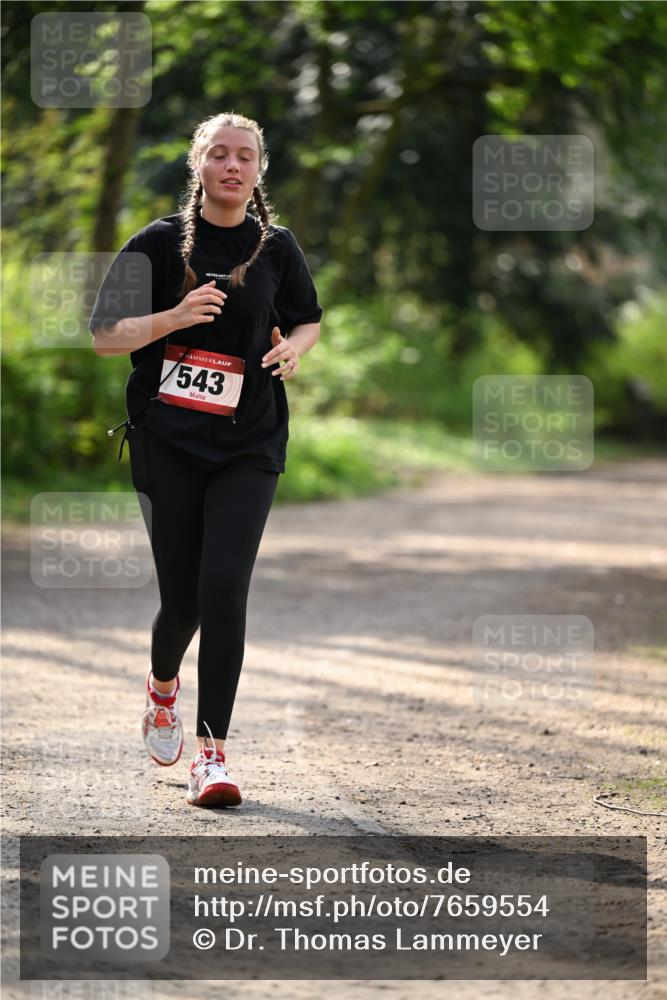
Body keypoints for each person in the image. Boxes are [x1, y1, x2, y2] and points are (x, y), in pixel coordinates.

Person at [88, 112, 323, 808]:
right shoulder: (157, 243)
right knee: (183, 600)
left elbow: (308, 317)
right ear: (198, 165)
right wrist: (172, 317)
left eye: (243, 156)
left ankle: (212, 757)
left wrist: (293, 350)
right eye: (217, 155)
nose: (231, 166)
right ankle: (163, 687)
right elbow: (104, 338)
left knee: (224, 588)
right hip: (168, 442)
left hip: (249, 442)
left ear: (258, 169)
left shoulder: (276, 246)